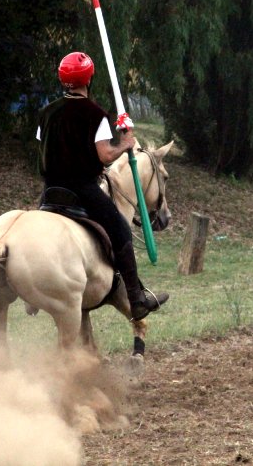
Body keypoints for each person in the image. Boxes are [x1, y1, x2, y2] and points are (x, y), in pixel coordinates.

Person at [36, 51, 169, 321]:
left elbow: (44, 146)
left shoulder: (46, 112)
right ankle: (136, 298)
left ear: (64, 80)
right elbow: (105, 156)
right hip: (82, 189)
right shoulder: (95, 114)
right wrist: (126, 144)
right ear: (89, 79)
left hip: (50, 190)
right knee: (121, 229)